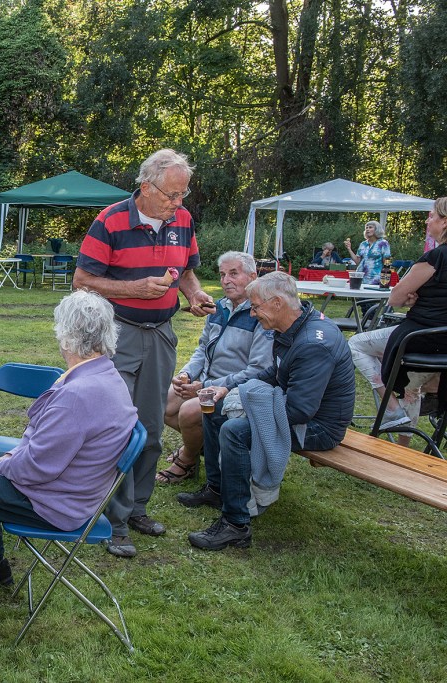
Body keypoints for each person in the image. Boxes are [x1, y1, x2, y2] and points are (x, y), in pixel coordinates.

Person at [0, 290, 137, 624]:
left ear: (68, 336)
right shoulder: (105, 374)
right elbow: (42, 448)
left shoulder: (78, 394)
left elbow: (35, 467)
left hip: (55, 501)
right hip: (72, 488)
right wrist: (0, 460)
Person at [72, 148, 213, 559]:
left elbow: (187, 271)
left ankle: (137, 508)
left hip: (161, 334)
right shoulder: (111, 220)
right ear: (146, 187)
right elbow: (82, 280)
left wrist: (195, 294)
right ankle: (113, 521)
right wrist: (132, 289)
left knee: (150, 426)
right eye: (172, 194)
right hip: (118, 333)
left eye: (183, 194)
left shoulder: (182, 220)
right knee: (118, 427)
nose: (178, 203)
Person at [178, 272, 355, 550]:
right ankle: (217, 489)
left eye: (255, 306)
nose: (252, 312)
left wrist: (245, 408)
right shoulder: (292, 326)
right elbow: (274, 372)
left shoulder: (313, 343)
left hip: (320, 428)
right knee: (214, 408)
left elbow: (299, 411)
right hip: (296, 411)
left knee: (235, 430)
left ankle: (236, 525)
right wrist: (227, 389)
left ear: (277, 303)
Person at [157, 252, 273, 484]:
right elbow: (202, 348)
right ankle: (204, 446)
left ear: (252, 277)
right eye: (222, 275)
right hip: (206, 381)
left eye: (233, 274)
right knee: (164, 404)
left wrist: (205, 386)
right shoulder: (218, 307)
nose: (225, 281)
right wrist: (186, 373)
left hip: (234, 389)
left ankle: (187, 459)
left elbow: (258, 369)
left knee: (189, 412)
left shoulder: (260, 313)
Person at [350, 198, 447, 433]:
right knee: (412, 381)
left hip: (422, 337)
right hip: (443, 339)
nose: (427, 221)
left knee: (355, 343)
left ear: (444, 222)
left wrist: (410, 298)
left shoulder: (435, 257)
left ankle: (392, 408)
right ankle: (427, 395)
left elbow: (394, 298)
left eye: (431, 216)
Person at [344, 220, 391, 285]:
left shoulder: (383, 243)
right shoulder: (363, 244)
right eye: (366, 228)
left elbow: (386, 263)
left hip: (376, 278)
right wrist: (349, 249)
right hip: (361, 277)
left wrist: (385, 280)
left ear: (377, 229)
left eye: (370, 227)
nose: (367, 229)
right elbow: (358, 262)